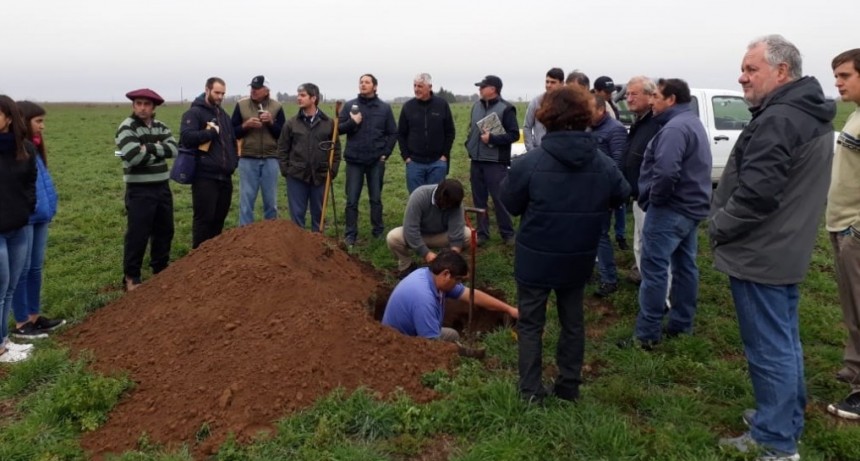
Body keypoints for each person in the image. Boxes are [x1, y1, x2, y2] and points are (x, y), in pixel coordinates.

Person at [712, 35, 835, 460]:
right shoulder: (805, 111)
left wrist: (718, 226)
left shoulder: (781, 118)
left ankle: (777, 442)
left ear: (781, 72)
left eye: (751, 69)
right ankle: (783, 418)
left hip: (760, 252)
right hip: (786, 247)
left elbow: (757, 196)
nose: (742, 77)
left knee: (769, 349)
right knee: (784, 341)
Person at [501, 86, 629, 403]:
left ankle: (531, 391)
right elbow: (622, 193)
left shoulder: (528, 164)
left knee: (531, 323)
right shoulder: (602, 163)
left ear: (548, 116)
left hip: (535, 259)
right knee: (573, 321)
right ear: (585, 116)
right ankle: (568, 386)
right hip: (579, 256)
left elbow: (511, 204)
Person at [632, 78, 711, 348]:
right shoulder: (691, 122)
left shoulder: (675, 129)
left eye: (655, 96)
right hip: (691, 209)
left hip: (670, 210)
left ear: (671, 99)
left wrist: (656, 200)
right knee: (685, 266)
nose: (651, 100)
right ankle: (681, 324)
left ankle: (646, 335)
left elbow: (666, 172)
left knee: (654, 270)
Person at [9, 101, 64, 338]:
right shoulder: (18, 150)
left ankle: (34, 316)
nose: (42, 126)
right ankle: (21, 323)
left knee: (35, 268)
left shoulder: (35, 148)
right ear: (24, 122)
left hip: (41, 216)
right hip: (26, 218)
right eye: (38, 121)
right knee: (21, 271)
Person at [115, 88, 178, 291]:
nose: (142, 108)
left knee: (165, 230)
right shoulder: (127, 128)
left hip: (162, 186)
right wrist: (158, 149)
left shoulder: (161, 126)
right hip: (139, 189)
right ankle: (131, 277)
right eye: (139, 103)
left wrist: (148, 148)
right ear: (134, 105)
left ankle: (161, 270)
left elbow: (174, 149)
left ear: (153, 107)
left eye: (147, 104)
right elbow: (133, 156)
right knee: (138, 233)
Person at [382, 249, 518, 341]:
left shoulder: (427, 274)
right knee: (452, 335)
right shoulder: (424, 299)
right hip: (400, 343)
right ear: (446, 274)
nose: (458, 284)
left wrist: (509, 309)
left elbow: (471, 295)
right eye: (458, 279)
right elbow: (429, 343)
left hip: (403, 332)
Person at [827, 48, 860, 421]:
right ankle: (854, 368)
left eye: (845, 75)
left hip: (855, 228)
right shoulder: (854, 114)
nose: (837, 82)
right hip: (840, 225)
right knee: (851, 308)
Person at [338, 74, 397, 246]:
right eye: (361, 82)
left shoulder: (384, 108)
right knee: (352, 199)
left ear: (375, 87)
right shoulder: (350, 106)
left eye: (367, 82)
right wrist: (352, 122)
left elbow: (393, 132)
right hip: (354, 161)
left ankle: (378, 231)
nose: (363, 85)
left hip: (375, 161)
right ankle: (350, 233)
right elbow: (338, 129)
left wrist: (385, 153)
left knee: (376, 198)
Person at [180, 77, 239, 249]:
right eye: (217, 92)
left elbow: (233, 141)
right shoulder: (194, 113)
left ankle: (213, 260)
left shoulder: (224, 116)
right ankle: (198, 257)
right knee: (204, 219)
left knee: (219, 219)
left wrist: (234, 162)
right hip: (205, 176)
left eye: (223, 93)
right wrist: (210, 133)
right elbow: (186, 138)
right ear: (207, 90)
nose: (220, 96)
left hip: (225, 177)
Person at [0, 95, 37, 363]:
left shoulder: (24, 149)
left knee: (11, 286)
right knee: (0, 288)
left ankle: (3, 340)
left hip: (19, 227)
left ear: (9, 118)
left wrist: (26, 209)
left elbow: (30, 183)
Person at [277, 83, 340, 232]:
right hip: (297, 176)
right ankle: (298, 249)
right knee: (297, 216)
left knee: (318, 215)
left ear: (313, 98)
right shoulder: (291, 124)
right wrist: (286, 170)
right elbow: (282, 148)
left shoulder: (329, 123)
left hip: (320, 175)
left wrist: (332, 171)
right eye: (298, 95)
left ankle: (317, 247)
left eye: (303, 95)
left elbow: (336, 150)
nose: (299, 98)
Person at [465, 75, 519, 246]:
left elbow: (514, 134)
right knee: (479, 199)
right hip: (476, 161)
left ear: (493, 89)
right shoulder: (475, 106)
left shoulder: (507, 108)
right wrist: (469, 144)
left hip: (495, 163)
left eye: (482, 86)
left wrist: (493, 139)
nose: (479, 89)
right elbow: (471, 128)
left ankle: (508, 234)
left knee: (499, 198)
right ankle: (482, 233)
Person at [620, 76, 661, 285]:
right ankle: (647, 283)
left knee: (650, 244)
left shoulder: (656, 123)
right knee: (639, 243)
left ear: (649, 95)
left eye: (634, 94)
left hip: (649, 197)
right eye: (627, 94)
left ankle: (660, 295)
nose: (628, 98)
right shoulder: (640, 122)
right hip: (637, 195)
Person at [386, 179, 471, 279]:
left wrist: (453, 259)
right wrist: (426, 253)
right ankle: (406, 266)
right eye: (446, 205)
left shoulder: (455, 202)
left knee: (468, 235)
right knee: (393, 237)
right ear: (440, 197)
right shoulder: (420, 196)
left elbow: (456, 232)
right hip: (419, 234)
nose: (448, 208)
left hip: (441, 235)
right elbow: (411, 229)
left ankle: (447, 263)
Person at [232, 75, 285, 226]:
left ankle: (269, 237)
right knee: (246, 202)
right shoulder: (241, 105)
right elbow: (232, 132)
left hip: (270, 159)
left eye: (257, 88)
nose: (253, 91)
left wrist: (271, 123)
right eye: (252, 87)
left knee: (271, 203)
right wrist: (245, 126)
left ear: (266, 90)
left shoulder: (277, 107)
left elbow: (282, 134)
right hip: (248, 158)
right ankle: (244, 235)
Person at [591, 93, 629, 298]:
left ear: (601, 110)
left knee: (601, 235)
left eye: (590, 112)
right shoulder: (590, 128)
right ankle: (590, 272)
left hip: (603, 194)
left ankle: (609, 279)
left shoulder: (615, 130)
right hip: (587, 192)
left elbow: (617, 165)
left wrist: (608, 196)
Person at [398, 73, 455, 194]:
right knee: (416, 198)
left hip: (437, 163)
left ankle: (434, 214)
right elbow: (401, 134)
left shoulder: (441, 105)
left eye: (420, 86)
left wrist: (444, 155)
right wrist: (406, 157)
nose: (416, 89)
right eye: (415, 86)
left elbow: (450, 131)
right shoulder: (408, 107)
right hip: (414, 163)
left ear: (429, 87)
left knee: (436, 198)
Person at [523, 67, 564, 152]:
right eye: (547, 82)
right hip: (539, 150)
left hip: (560, 151)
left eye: (553, 82)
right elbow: (527, 127)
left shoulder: (567, 103)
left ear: (562, 83)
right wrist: (530, 150)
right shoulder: (536, 102)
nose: (549, 85)